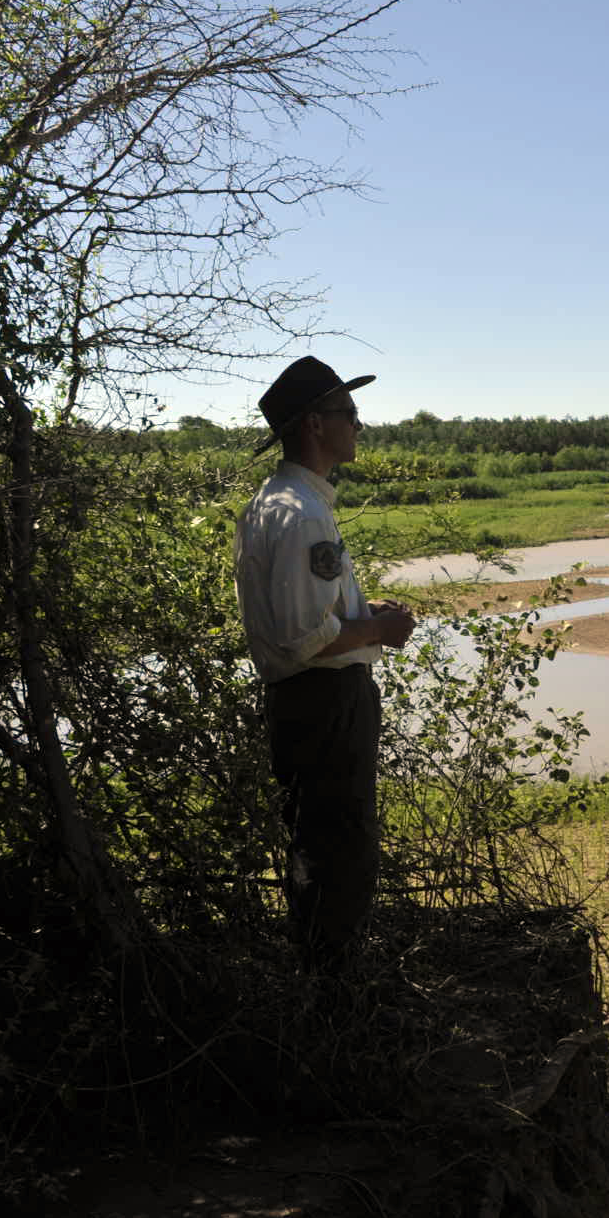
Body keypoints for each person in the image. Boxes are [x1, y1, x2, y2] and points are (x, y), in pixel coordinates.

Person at [234, 356, 417, 973]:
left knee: (316, 845)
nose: (359, 425)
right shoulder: (302, 512)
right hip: (324, 700)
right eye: (349, 413)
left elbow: (308, 616)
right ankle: (335, 996)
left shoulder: (277, 502)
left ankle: (320, 986)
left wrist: (365, 613)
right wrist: (382, 630)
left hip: (305, 702)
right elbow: (306, 639)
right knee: (343, 850)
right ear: (315, 424)